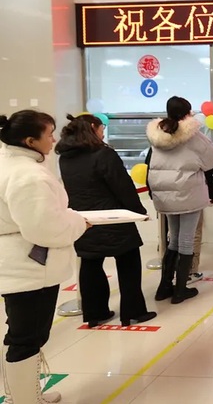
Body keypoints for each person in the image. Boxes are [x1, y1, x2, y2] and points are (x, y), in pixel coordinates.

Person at [0, 110, 89, 403]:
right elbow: (45, 228)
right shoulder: (28, 175)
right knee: (28, 337)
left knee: (21, 334)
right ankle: (25, 399)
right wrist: (78, 222)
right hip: (30, 269)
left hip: (16, 264)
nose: (53, 140)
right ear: (30, 141)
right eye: (49, 134)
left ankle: (21, 395)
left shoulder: (10, 163)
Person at [56, 114, 157, 328]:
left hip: (84, 220)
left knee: (90, 264)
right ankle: (133, 312)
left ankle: (95, 313)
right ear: (93, 127)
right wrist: (138, 211)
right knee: (128, 263)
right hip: (113, 218)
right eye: (102, 127)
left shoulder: (65, 157)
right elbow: (122, 186)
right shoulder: (104, 154)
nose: (103, 132)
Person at [146, 97, 213, 304]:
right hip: (188, 193)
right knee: (186, 240)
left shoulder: (157, 134)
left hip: (165, 195)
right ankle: (180, 289)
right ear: (188, 113)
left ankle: (164, 287)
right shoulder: (193, 136)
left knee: (174, 239)